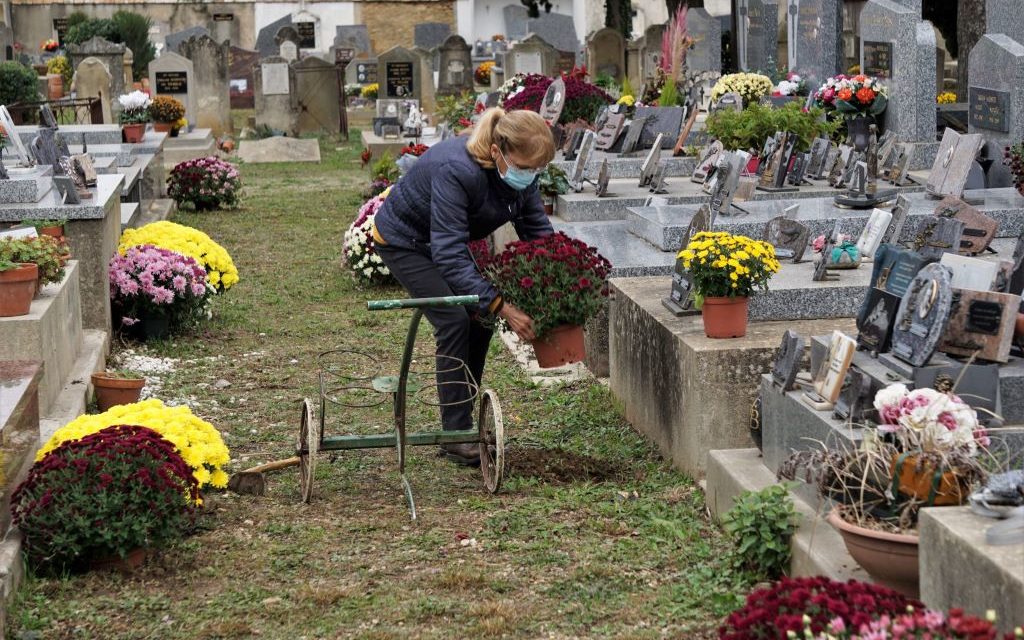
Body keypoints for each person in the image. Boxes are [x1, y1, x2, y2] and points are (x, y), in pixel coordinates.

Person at [372, 107, 555, 466]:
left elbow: (538, 232)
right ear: (497, 152)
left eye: (537, 169)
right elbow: (450, 253)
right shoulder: (457, 170)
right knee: (454, 319)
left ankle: (462, 418)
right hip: (404, 241)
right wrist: (503, 306)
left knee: (480, 318)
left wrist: (555, 287)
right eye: (524, 167)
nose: (530, 176)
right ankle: (456, 435)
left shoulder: (521, 174)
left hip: (440, 241)